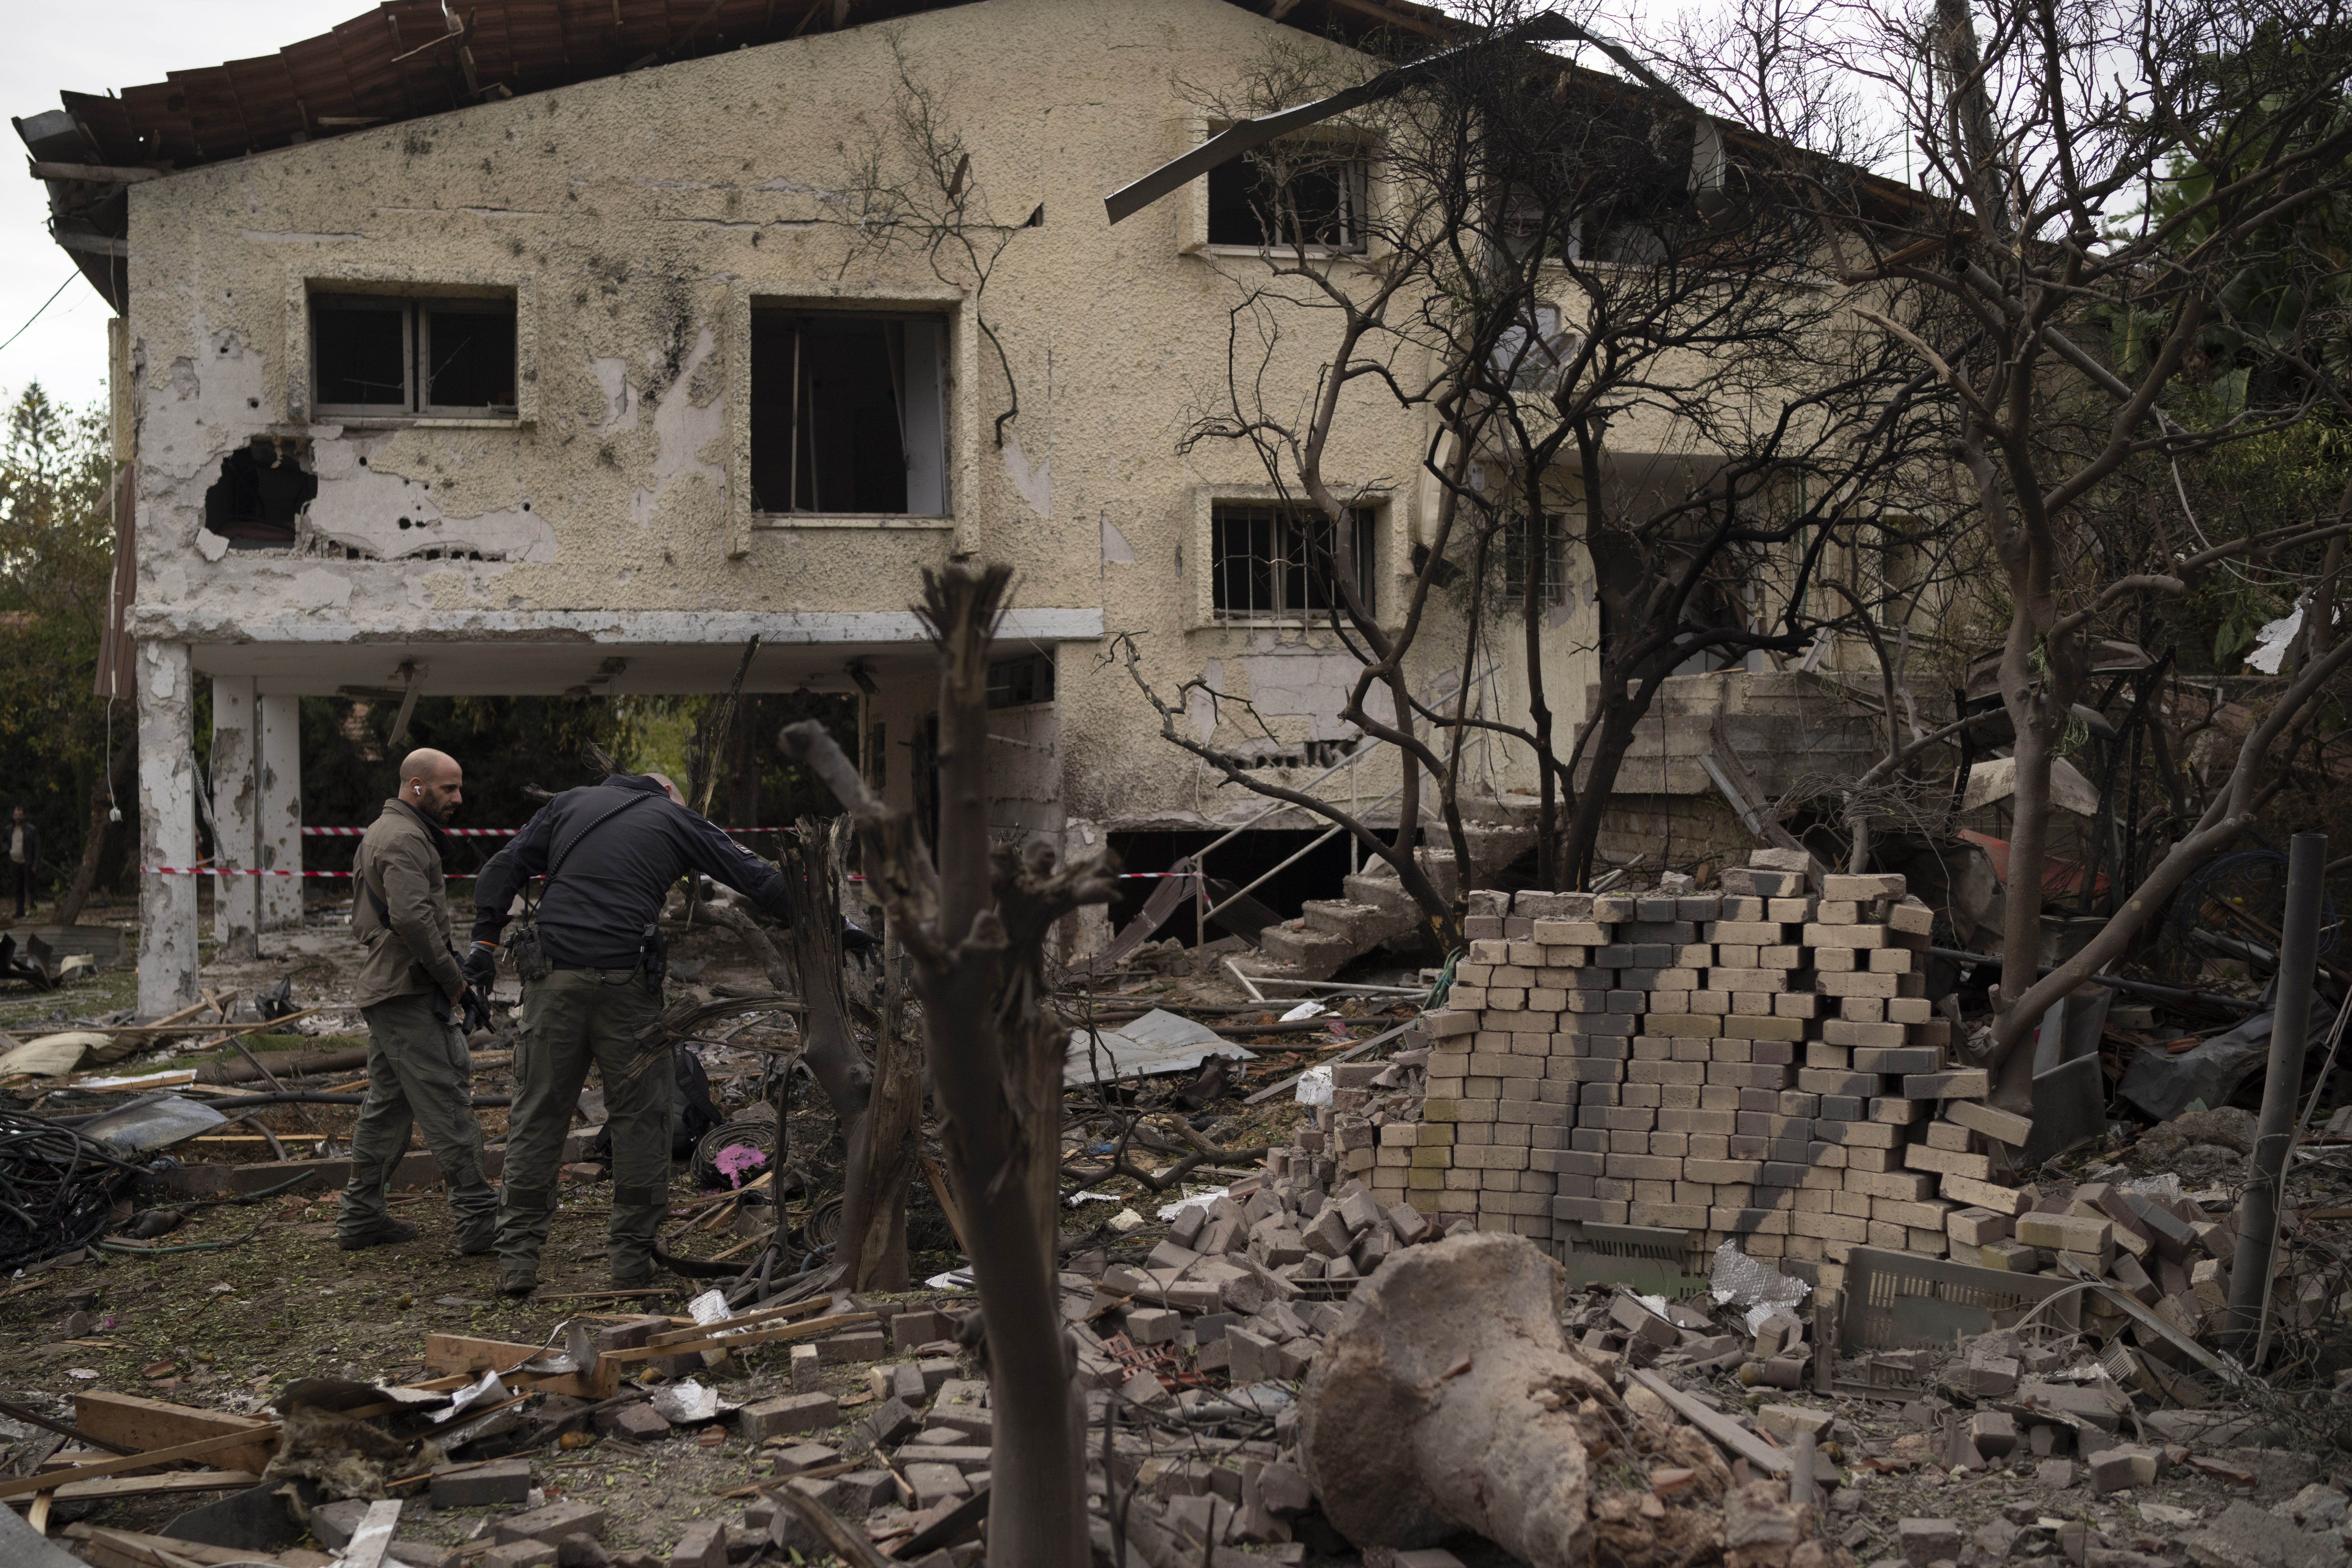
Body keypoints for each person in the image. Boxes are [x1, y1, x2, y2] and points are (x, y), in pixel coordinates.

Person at [468, 769, 798, 1295]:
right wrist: (832, 923)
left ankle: (517, 1262)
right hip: (628, 988)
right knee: (641, 1121)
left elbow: (498, 870)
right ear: (666, 794)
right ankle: (631, 1259)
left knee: (537, 1116)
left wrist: (483, 945)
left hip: (551, 985)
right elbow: (760, 880)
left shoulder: (567, 802)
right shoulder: (675, 817)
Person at [337, 748, 498, 1254]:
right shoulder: (405, 837)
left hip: (392, 990)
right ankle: (480, 1221)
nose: (458, 798)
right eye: (448, 788)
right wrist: (455, 982)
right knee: (448, 1099)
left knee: (387, 1108)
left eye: (459, 787)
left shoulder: (385, 831)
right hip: (408, 994)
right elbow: (411, 918)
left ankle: (361, 1217)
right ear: (416, 786)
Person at [8, 806, 38, 920]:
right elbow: (5, 842)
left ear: (24, 816)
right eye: (16, 815)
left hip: (28, 863)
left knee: (31, 888)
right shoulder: (9, 829)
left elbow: (37, 847)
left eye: (20, 815)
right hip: (15, 863)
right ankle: (20, 911)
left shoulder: (32, 830)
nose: (18, 817)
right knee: (18, 888)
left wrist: (36, 864)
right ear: (13, 816)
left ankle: (33, 911)